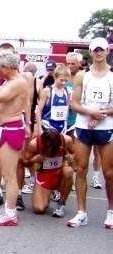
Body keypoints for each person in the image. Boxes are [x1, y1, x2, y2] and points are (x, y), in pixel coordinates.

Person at [68, 37, 113, 228]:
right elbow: (74, 103)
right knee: (80, 169)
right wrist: (90, 112)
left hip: (106, 127)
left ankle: (110, 212)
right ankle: (81, 212)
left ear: (107, 51)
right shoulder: (81, 76)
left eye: (101, 50)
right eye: (95, 50)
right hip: (84, 127)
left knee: (109, 173)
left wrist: (101, 114)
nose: (98, 53)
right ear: (90, 52)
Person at [0, 52, 29, 226]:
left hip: (11, 128)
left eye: (0, 66)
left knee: (9, 175)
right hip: (5, 127)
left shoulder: (18, 82)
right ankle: (8, 207)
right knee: (7, 172)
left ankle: (10, 214)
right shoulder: (11, 81)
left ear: (9, 68)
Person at [24, 129, 73, 218]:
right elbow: (23, 162)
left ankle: (61, 204)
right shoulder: (34, 144)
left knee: (69, 171)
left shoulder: (67, 140)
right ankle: (48, 193)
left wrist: (70, 159)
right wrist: (33, 160)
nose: (50, 150)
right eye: (48, 147)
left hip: (60, 173)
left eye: (54, 147)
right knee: (39, 209)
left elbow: (75, 154)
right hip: (44, 176)